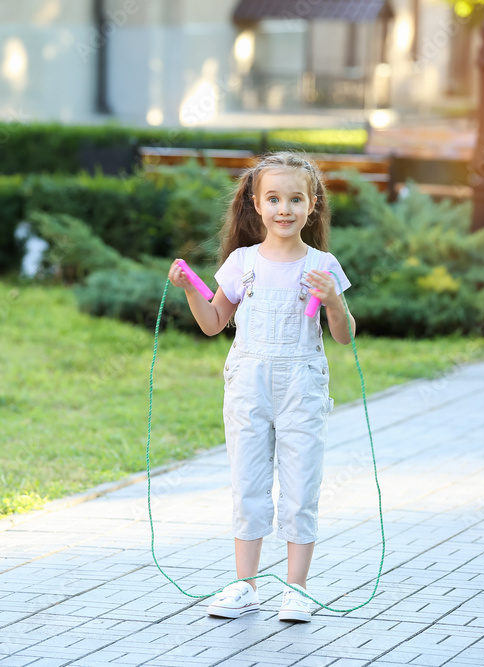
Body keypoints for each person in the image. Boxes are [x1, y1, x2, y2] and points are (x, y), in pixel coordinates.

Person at [168, 152, 355, 623]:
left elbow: (344, 334)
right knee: (248, 483)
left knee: (300, 485)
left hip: (302, 385)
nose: (284, 209)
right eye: (273, 199)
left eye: (295, 199)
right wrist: (191, 287)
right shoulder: (242, 262)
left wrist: (332, 298)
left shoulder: (322, 265)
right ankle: (244, 586)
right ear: (256, 202)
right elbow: (213, 323)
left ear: (313, 204)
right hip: (248, 384)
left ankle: (297, 590)